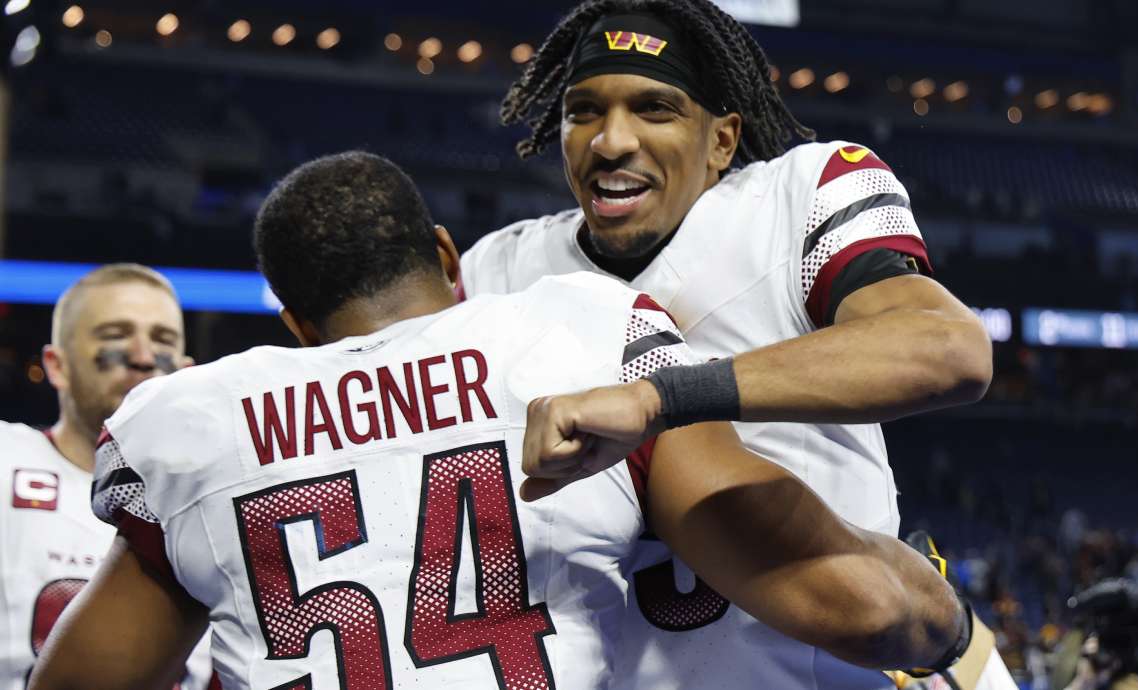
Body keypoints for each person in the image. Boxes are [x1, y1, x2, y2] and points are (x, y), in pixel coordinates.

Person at [29, 152, 967, 690]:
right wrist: (949, 622)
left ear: (296, 325)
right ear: (447, 257)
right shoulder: (578, 333)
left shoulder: (194, 422)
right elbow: (863, 610)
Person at [460, 1, 1004, 689]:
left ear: (722, 141)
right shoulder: (495, 271)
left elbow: (948, 347)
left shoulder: (797, 196)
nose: (610, 140)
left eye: (654, 109)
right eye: (584, 111)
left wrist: (661, 398)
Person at [0, 264, 213, 689]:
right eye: (115, 335)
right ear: (57, 366)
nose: (143, 356)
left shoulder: (220, 498)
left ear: (186, 373)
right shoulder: (7, 458)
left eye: (163, 340)